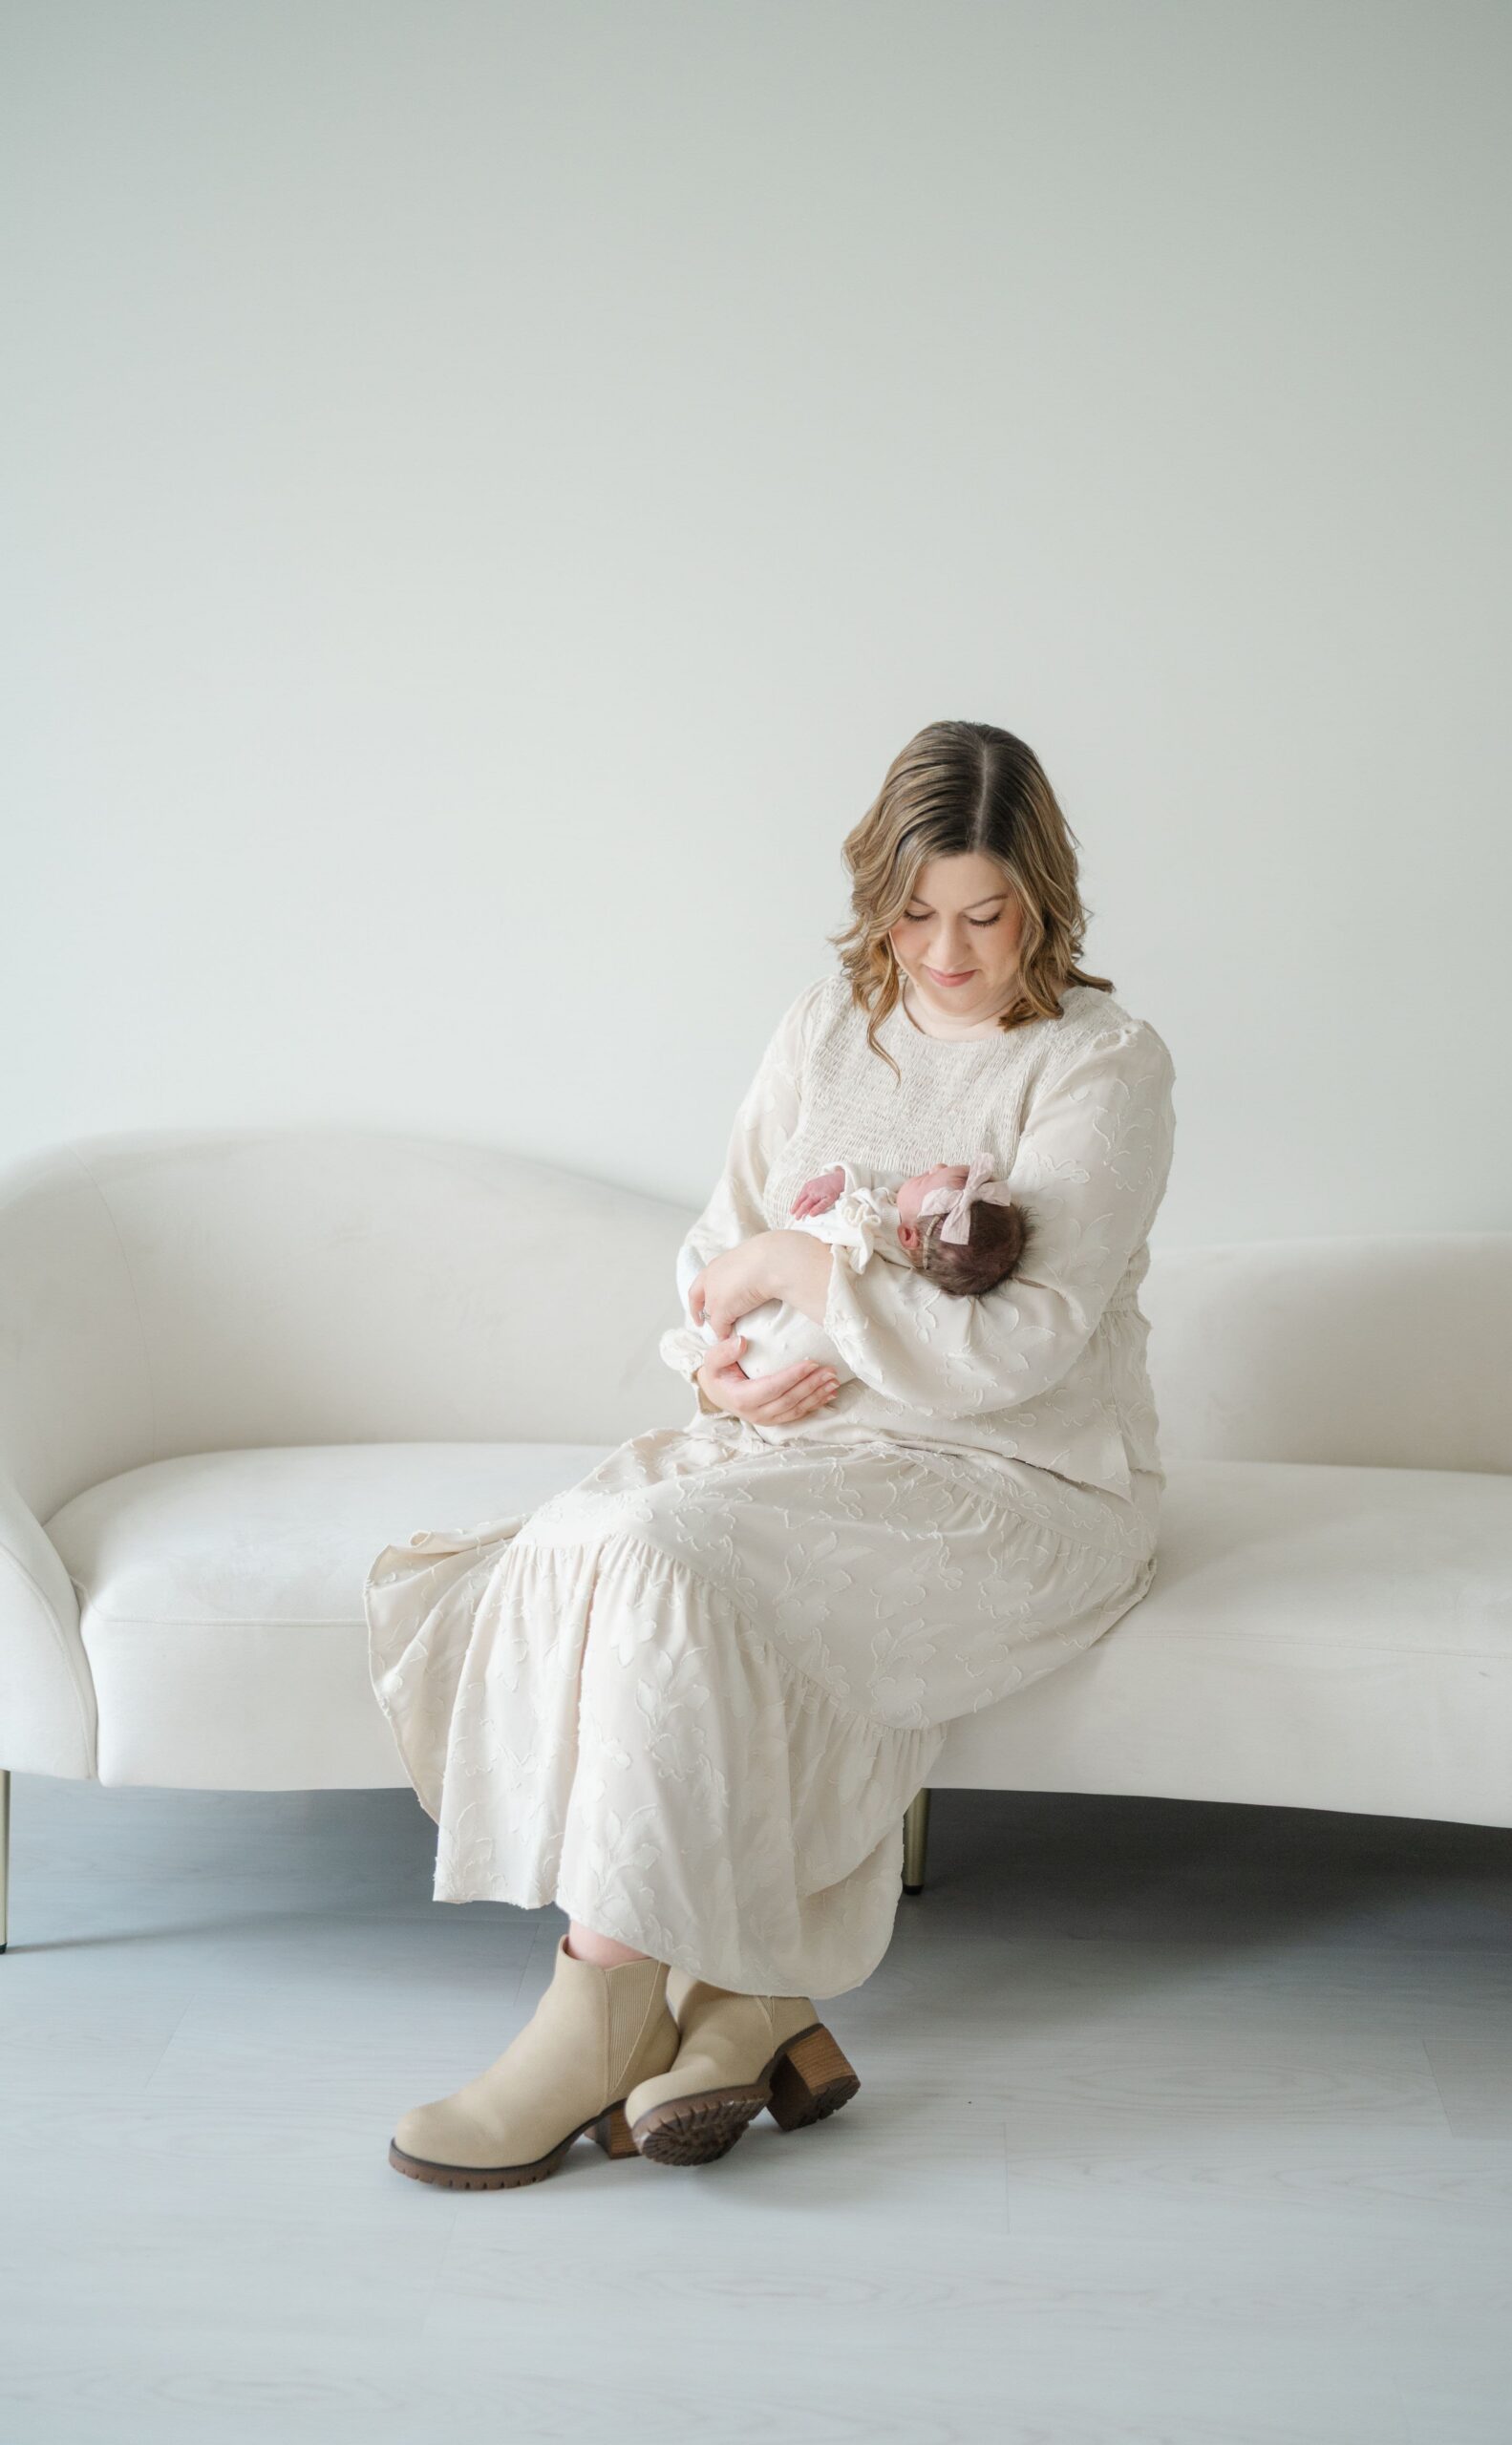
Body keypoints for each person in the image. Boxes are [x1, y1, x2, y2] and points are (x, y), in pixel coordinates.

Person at [362, 716, 1179, 2191]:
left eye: (983, 915)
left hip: (1022, 1485)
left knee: (669, 1557)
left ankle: (601, 2007)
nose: (944, 951)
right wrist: (721, 1354)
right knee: (578, 1546)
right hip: (800, 1445)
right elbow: (717, 1242)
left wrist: (809, 1284)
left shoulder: (1097, 1066)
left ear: (1041, 900)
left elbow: (1019, 1349)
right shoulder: (821, 1029)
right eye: (914, 912)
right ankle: (742, 2000)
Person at [660, 1151, 1029, 1404]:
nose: (936, 1164)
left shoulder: (882, 1238)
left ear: (907, 1237)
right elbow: (892, 1186)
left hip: (782, 1329)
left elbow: (887, 1186)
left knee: (759, 1312)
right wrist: (842, 1179)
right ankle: (713, 1336)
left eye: (931, 1176)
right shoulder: (918, 1243)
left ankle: (706, 1325)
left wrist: (842, 1185)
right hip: (786, 1368)